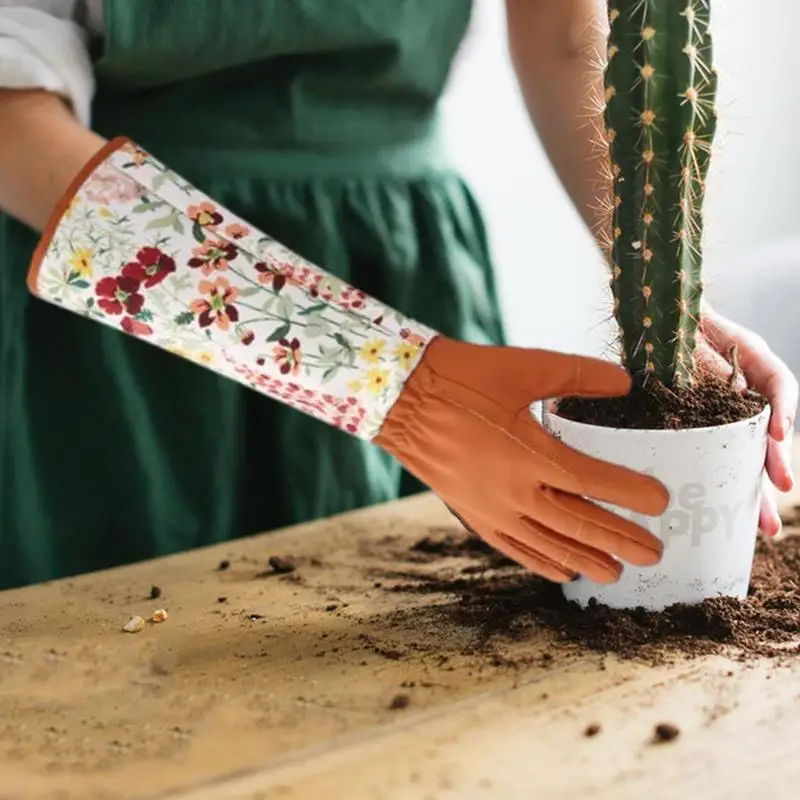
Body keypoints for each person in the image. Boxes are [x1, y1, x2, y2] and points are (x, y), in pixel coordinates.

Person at [0, 1, 795, 592]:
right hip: (133, 300)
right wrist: (397, 384)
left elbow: (565, 36)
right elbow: (12, 118)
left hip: (406, 266)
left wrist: (670, 301)